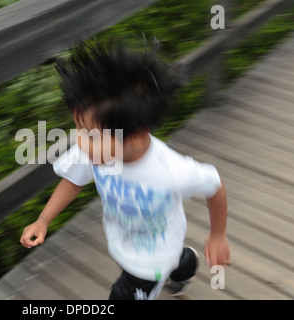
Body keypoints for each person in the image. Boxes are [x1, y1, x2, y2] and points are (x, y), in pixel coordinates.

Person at [20, 38, 230, 300]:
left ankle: (174, 263)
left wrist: (218, 235)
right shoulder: (93, 152)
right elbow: (73, 181)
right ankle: (184, 263)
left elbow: (214, 185)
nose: (79, 140)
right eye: (78, 129)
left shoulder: (171, 170)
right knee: (176, 259)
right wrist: (43, 219)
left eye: (90, 134)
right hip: (127, 239)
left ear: (137, 134)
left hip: (149, 263)